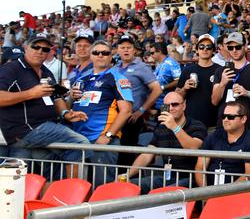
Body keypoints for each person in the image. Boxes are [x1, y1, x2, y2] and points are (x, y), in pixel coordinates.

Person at [0, 33, 90, 177]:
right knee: (80, 144)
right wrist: (31, 93)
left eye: (45, 49)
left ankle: (53, 196)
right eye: (36, 47)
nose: (40, 51)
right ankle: (76, 194)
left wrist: (66, 114)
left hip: (47, 126)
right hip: (27, 130)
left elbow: (55, 98)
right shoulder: (11, 68)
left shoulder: (46, 72)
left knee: (50, 171)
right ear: (26, 47)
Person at [69, 40, 133, 184]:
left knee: (101, 186)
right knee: (77, 186)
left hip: (102, 139)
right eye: (96, 52)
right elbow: (69, 106)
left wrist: (108, 135)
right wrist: (70, 97)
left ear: (111, 57)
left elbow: (126, 110)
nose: (100, 55)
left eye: (105, 53)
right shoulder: (82, 78)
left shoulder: (118, 78)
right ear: (91, 56)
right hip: (79, 139)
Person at [123, 92, 206, 193]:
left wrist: (174, 127)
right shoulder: (161, 127)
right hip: (167, 177)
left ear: (184, 106)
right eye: (166, 106)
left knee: (166, 192)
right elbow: (147, 155)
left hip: (190, 178)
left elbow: (194, 148)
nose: (170, 108)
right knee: (130, 185)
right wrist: (127, 175)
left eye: (175, 104)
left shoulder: (196, 125)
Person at [112, 35, 162, 165]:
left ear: (135, 50)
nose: (126, 50)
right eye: (122, 47)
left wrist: (142, 110)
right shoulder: (115, 68)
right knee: (115, 150)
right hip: (114, 117)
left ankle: (125, 181)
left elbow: (157, 89)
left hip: (131, 117)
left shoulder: (141, 67)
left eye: (129, 47)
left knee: (126, 152)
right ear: (117, 50)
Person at [195, 101, 250, 185]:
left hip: (237, 193)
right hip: (209, 191)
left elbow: (249, 175)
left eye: (230, 117)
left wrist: (225, 193)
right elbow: (200, 168)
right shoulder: (213, 136)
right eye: (223, 116)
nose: (225, 120)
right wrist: (205, 193)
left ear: (243, 119)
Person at [212, 32, 250, 129]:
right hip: (224, 123)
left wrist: (247, 93)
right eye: (230, 48)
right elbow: (214, 101)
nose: (234, 50)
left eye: (238, 47)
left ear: (245, 46)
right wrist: (222, 84)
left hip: (247, 124)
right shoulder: (220, 71)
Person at [176, 34, 220, 131]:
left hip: (213, 124)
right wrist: (184, 88)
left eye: (209, 47)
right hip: (190, 123)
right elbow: (177, 97)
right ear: (196, 50)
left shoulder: (219, 70)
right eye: (201, 46)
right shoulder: (188, 70)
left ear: (213, 50)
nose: (205, 49)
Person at [151, 42, 181, 108]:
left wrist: (163, 87)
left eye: (152, 53)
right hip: (156, 100)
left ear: (159, 51)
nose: (151, 55)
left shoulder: (172, 63)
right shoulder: (159, 64)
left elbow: (178, 81)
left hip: (166, 102)